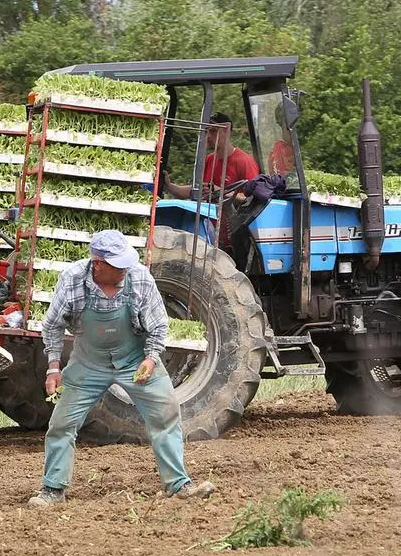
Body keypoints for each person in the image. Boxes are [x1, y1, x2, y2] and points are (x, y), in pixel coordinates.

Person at [28, 230, 216, 506]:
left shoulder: (139, 278)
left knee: (165, 413)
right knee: (61, 424)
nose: (125, 271)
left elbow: (158, 324)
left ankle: (178, 484)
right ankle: (53, 489)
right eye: (118, 266)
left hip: (134, 360)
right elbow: (53, 325)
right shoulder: (72, 280)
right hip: (88, 363)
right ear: (98, 264)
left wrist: (151, 358)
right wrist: (53, 368)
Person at [163, 112, 260, 200]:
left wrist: (219, 191)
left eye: (214, 131)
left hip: (231, 219)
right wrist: (170, 186)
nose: (208, 136)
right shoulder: (209, 159)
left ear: (228, 132)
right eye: (206, 131)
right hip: (208, 218)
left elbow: (253, 200)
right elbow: (199, 190)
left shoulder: (244, 161)